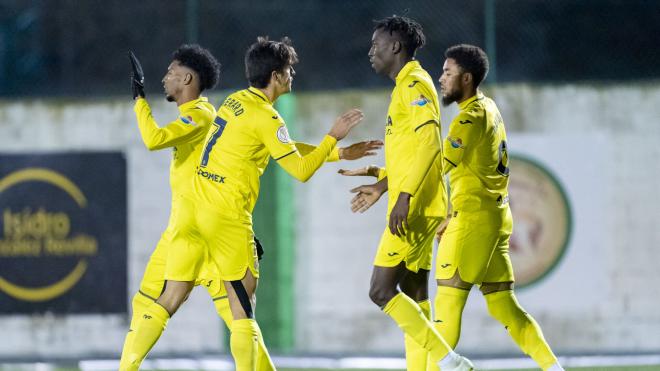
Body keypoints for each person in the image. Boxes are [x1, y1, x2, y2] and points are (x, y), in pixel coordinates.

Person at [119, 45, 278, 371]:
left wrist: (139, 99)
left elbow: (154, 138)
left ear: (187, 78)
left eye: (170, 72)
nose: (164, 78)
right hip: (194, 224)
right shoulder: (203, 116)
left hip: (195, 229)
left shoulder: (201, 115)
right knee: (240, 319)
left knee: (163, 302)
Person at [345, 16, 474, 371]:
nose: (371, 51)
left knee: (380, 290)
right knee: (416, 295)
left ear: (396, 47)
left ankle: (447, 360)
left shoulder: (414, 84)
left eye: (376, 45)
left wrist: (403, 198)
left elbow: (430, 144)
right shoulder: (405, 85)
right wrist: (383, 185)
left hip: (415, 206)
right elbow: (411, 153)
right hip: (423, 202)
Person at [433, 44, 564, 371]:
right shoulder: (489, 107)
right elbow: (471, 171)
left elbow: (438, 167)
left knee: (446, 306)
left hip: (472, 223)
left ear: (466, 78)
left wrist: (385, 180)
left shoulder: (469, 118)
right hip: (493, 219)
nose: (440, 78)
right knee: (506, 307)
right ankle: (553, 368)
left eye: (447, 73)